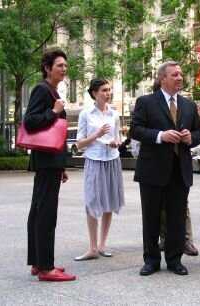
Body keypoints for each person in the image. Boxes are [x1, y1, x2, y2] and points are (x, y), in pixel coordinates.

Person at [130, 61, 200, 276]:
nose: (180, 78)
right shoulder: (146, 102)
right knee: (151, 217)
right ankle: (151, 260)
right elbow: (135, 130)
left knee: (177, 218)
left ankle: (174, 260)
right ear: (163, 79)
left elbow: (199, 133)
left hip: (180, 171)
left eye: (181, 74)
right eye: (175, 75)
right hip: (152, 170)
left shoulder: (189, 105)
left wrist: (192, 138)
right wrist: (161, 136)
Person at [25, 49, 76, 281]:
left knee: (39, 210)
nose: (64, 69)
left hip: (50, 161)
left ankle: (38, 261)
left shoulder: (51, 90)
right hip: (46, 161)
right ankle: (46, 268)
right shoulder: (42, 89)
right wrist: (54, 112)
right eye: (59, 65)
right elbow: (31, 121)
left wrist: (61, 164)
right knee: (45, 213)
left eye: (65, 66)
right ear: (47, 68)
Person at [74, 79, 125, 261]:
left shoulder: (114, 114)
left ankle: (102, 245)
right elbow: (79, 144)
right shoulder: (86, 114)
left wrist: (116, 142)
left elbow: (118, 138)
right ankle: (92, 247)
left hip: (112, 159)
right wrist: (97, 134)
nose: (108, 93)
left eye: (109, 90)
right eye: (104, 90)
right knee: (92, 201)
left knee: (109, 201)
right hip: (94, 160)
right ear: (94, 93)